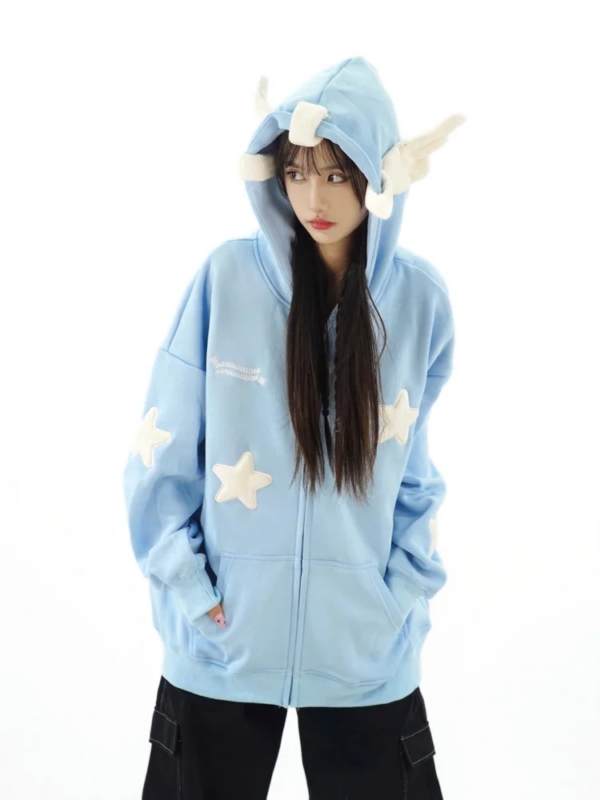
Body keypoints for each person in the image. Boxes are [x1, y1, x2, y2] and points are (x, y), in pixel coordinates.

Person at [123, 54, 464, 800]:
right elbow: (161, 454)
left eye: (338, 174)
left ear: (376, 176)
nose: (314, 197)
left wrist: (394, 598)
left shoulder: (419, 302)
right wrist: (191, 588)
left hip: (362, 654)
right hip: (221, 644)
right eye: (297, 171)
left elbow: (415, 474)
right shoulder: (225, 280)